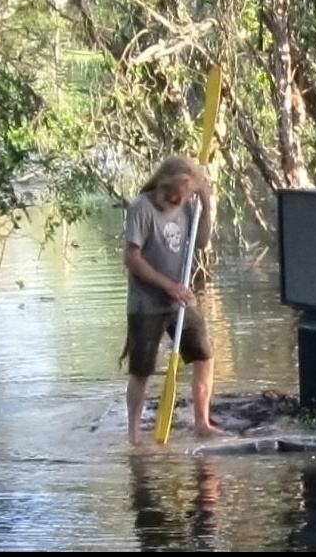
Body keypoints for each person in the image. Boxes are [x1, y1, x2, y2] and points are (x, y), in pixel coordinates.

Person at [118, 156, 223, 445]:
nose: (181, 200)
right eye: (179, 194)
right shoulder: (142, 208)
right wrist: (169, 287)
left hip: (180, 301)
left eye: (187, 194)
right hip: (147, 303)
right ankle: (134, 434)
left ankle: (202, 422)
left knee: (204, 356)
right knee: (142, 369)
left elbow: (200, 243)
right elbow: (131, 257)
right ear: (166, 185)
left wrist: (206, 201)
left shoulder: (190, 205)